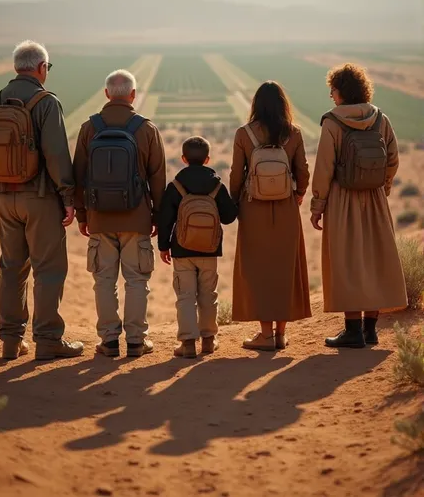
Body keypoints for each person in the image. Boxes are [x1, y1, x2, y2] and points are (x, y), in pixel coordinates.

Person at [0, 40, 84, 361]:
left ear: (16, 68)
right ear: (41, 68)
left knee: (11, 268)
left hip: (5, 198)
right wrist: (67, 197)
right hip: (40, 199)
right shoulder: (45, 102)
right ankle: (48, 340)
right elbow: (56, 154)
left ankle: (11, 341)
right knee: (48, 269)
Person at [310, 63, 407, 348]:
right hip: (375, 199)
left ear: (342, 91)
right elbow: (393, 159)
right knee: (375, 259)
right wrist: (383, 187)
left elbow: (324, 167)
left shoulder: (332, 122)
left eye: (333, 90)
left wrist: (318, 204)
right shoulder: (380, 118)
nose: (331, 95)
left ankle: (352, 331)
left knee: (347, 261)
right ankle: (370, 330)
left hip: (343, 199)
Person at [73, 69, 166, 358]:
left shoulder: (90, 128)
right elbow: (158, 178)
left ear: (106, 95)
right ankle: (137, 341)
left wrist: (82, 214)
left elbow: (78, 175)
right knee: (137, 280)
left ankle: (109, 341)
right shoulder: (146, 128)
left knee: (103, 280)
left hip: (100, 217)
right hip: (136, 217)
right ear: (133, 95)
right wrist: (158, 217)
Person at [230, 81, 311, 351]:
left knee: (258, 270)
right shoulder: (294, 133)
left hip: (253, 208)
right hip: (286, 208)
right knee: (284, 268)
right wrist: (298, 195)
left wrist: (235, 203)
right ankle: (280, 334)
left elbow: (235, 174)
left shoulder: (244, 134)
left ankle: (264, 334)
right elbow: (303, 172)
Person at [158, 136, 238, 358]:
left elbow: (165, 218)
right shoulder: (217, 185)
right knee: (208, 294)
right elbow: (230, 216)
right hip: (210, 250)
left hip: (182, 250)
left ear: (183, 159)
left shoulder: (176, 186)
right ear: (208, 159)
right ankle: (209, 341)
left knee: (185, 296)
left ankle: (187, 344)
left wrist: (164, 246)